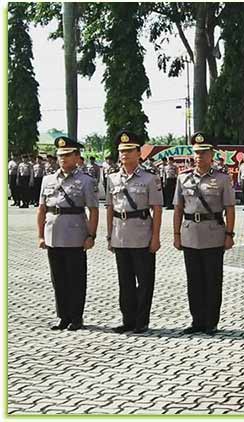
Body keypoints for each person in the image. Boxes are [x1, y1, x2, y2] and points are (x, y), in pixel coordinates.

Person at [173, 132, 236, 335]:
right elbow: (178, 208)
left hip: (213, 233)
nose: (199, 156)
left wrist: (229, 234)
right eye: (197, 153)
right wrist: (176, 234)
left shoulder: (222, 179)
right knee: (194, 280)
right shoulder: (183, 178)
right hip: (190, 233)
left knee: (212, 279)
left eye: (203, 153)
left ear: (212, 155)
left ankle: (211, 322)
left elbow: (230, 209)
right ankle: (196, 320)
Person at [36, 136, 99, 330]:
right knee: (58, 279)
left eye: (67, 155)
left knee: (76, 278)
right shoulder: (48, 180)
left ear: (77, 157)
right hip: (53, 234)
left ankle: (76, 317)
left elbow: (93, 210)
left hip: (75, 235)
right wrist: (40, 235)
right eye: (60, 155)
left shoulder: (86, 181)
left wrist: (91, 235)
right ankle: (63, 316)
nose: (63, 158)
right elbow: (41, 209)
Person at [106, 130, 163, 334]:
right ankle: (127, 319)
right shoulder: (112, 178)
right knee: (125, 281)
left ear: (139, 153)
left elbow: (156, 209)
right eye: (122, 151)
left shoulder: (149, 179)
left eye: (129, 150)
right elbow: (110, 208)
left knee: (145, 280)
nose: (125, 154)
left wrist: (156, 237)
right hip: (120, 234)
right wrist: (109, 235)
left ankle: (142, 321)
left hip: (142, 234)